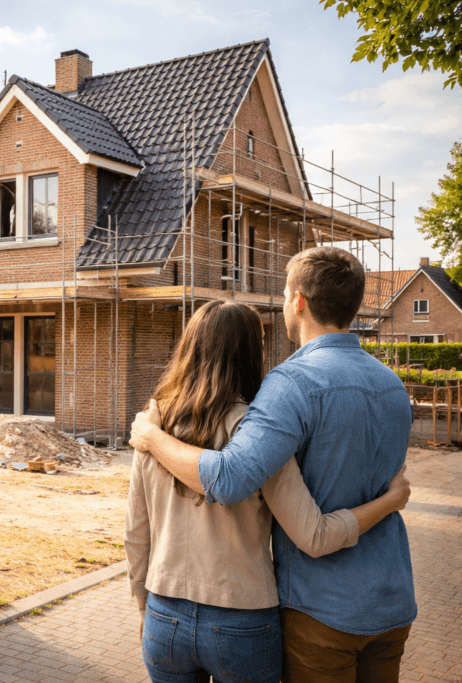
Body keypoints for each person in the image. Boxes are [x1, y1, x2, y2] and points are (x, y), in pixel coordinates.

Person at [130, 247, 416, 682]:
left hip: (318, 608)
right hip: (390, 599)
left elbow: (223, 481)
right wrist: (392, 501)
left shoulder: (288, 388)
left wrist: (153, 438)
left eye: (283, 294)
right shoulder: (393, 385)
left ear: (298, 301)